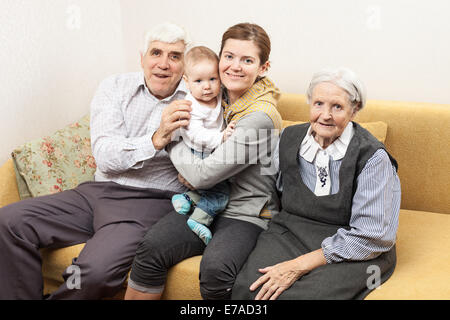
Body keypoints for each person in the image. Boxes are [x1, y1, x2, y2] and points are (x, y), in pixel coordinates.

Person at [0, 22, 193, 299]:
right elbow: (104, 155)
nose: (163, 64)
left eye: (174, 56)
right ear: (142, 58)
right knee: (9, 220)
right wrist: (154, 139)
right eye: (156, 53)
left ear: (185, 65)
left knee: (92, 273)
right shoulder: (114, 87)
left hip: (146, 205)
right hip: (94, 194)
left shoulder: (197, 98)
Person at [125, 23, 282, 300]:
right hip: (204, 201)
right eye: (229, 56)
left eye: (247, 60)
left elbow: (202, 176)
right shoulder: (214, 96)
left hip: (244, 214)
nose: (235, 66)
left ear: (263, 68)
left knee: (215, 268)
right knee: (152, 247)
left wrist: (169, 139)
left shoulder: (260, 117)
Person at [232, 67, 401, 300]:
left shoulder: (372, 157)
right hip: (290, 231)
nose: (325, 115)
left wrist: (299, 265)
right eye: (319, 104)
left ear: (355, 110)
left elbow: (372, 236)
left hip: (352, 245)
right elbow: (270, 190)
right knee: (251, 289)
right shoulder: (288, 138)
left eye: (337, 107)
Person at [171, 46, 236, 245]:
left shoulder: (217, 96)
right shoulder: (190, 105)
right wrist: (222, 137)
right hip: (197, 150)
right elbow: (196, 134)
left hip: (209, 150)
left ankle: (187, 198)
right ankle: (199, 219)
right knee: (221, 194)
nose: (206, 86)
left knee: (210, 187)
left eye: (212, 79)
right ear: (186, 81)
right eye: (198, 81)